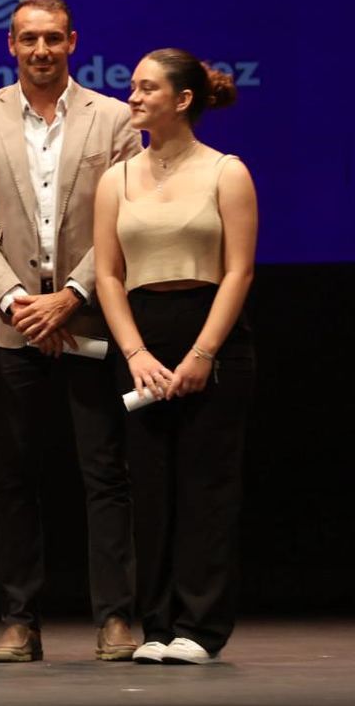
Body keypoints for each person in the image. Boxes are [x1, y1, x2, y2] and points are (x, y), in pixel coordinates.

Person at [0, 0, 143, 663]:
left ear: (72, 42)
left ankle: (115, 616)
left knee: (105, 472)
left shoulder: (113, 118)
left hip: (91, 317)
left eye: (53, 38)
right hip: (11, 328)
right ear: (10, 44)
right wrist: (16, 302)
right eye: (29, 38)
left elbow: (126, 215)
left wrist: (69, 295)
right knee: (13, 477)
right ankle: (19, 619)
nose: (41, 50)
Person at [92, 49, 257, 665]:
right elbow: (108, 275)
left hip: (210, 335)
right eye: (132, 87)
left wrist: (203, 353)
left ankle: (200, 627)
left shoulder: (225, 172)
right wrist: (134, 351)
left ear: (183, 100)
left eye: (147, 88)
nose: (133, 98)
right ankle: (157, 626)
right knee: (151, 489)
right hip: (142, 341)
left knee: (206, 488)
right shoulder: (116, 178)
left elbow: (238, 271)